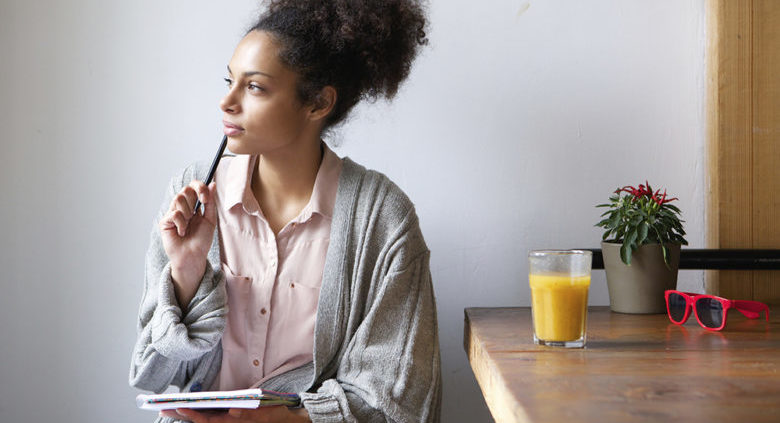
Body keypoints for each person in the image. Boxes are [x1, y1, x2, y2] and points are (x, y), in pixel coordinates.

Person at [129, 1, 441, 422]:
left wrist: (287, 419)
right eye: (229, 81)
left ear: (317, 103)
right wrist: (186, 274)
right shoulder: (193, 193)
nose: (227, 102)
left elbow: (398, 397)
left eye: (254, 87)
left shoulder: (383, 219)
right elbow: (152, 372)